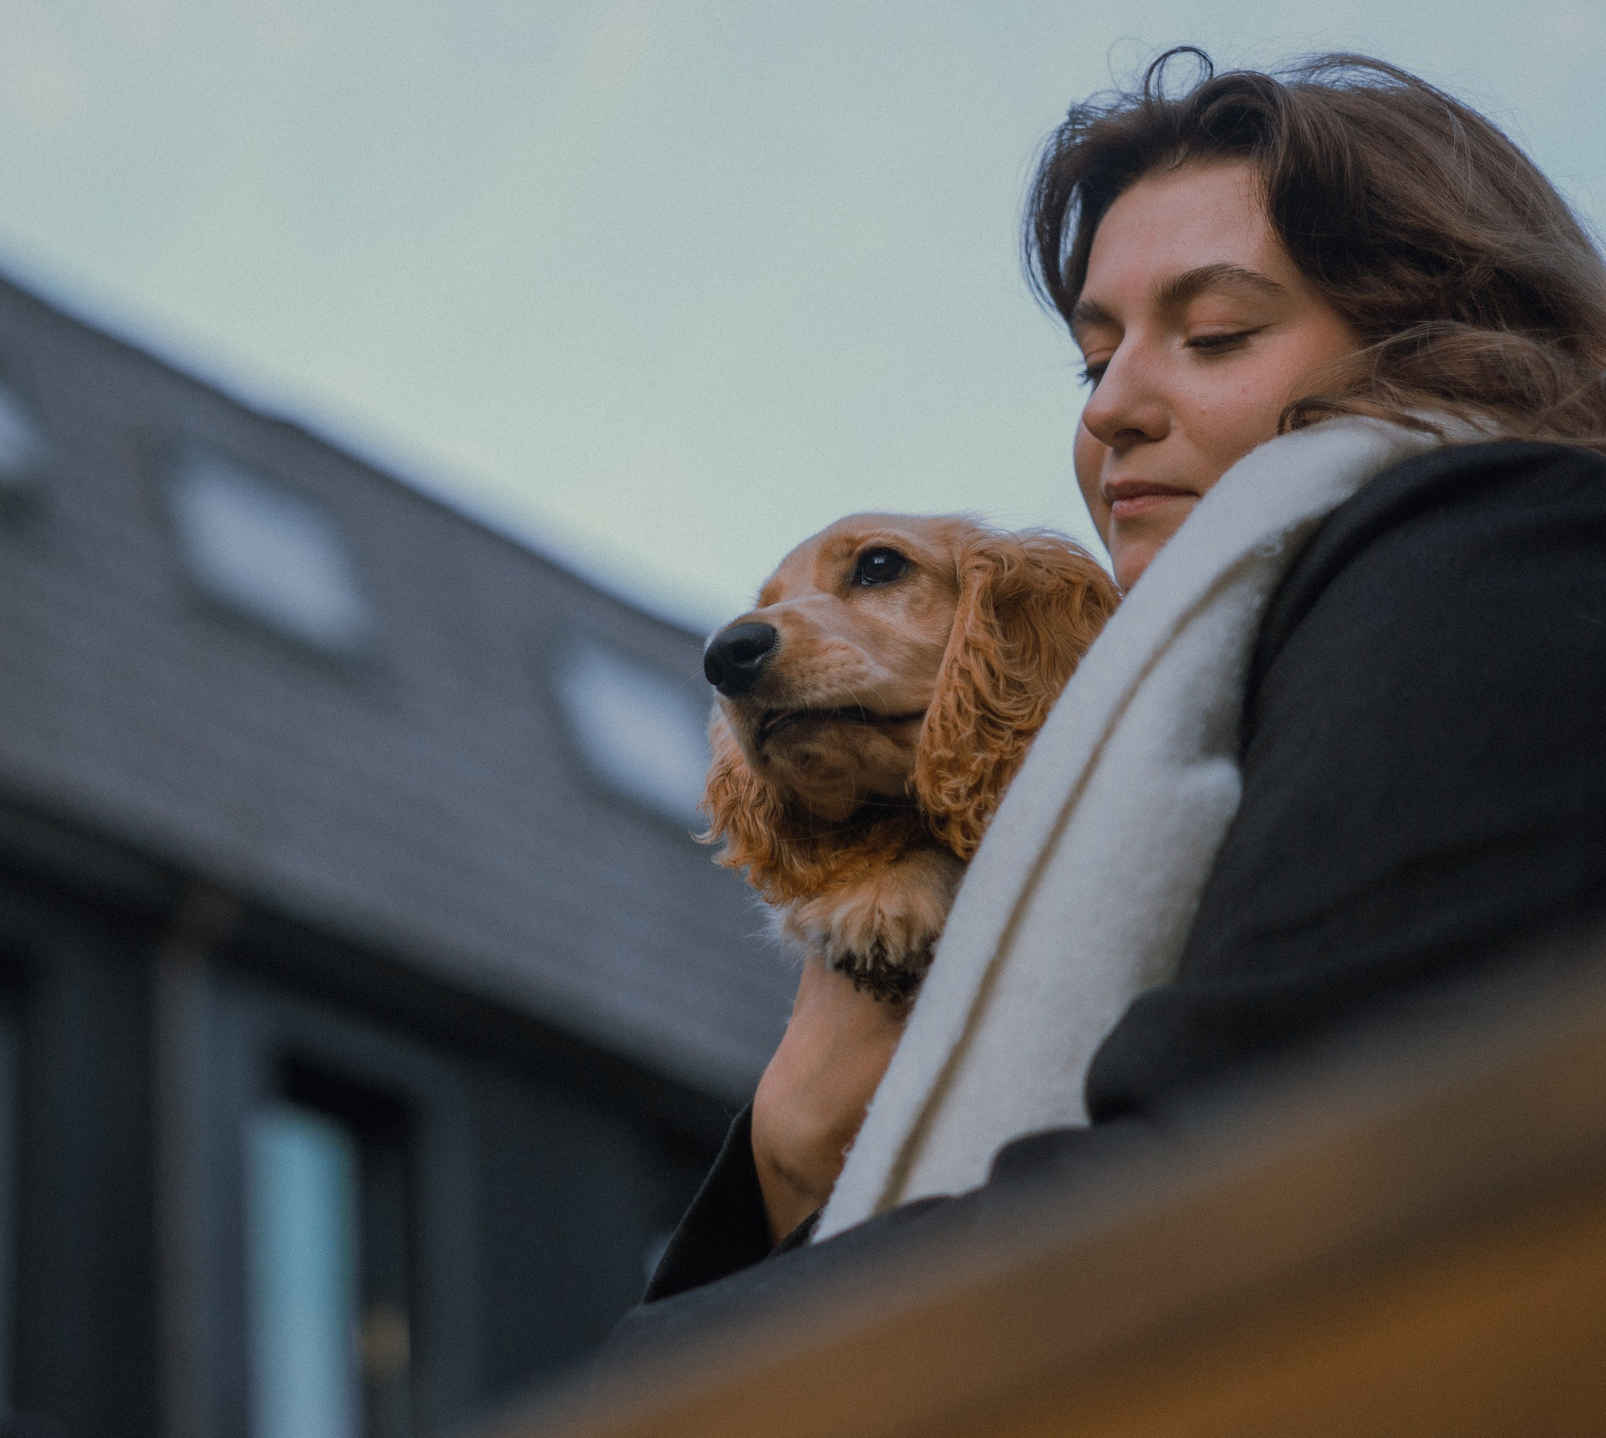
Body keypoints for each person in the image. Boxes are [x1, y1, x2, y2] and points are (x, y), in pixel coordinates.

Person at [610, 49, 1606, 1359]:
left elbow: (1230, 1169)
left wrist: (677, 1352)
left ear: (1445, 337)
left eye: (1215, 337)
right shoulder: (1207, 698)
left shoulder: (1484, 541)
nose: (1117, 411)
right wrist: (794, 1147)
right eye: (1094, 363)